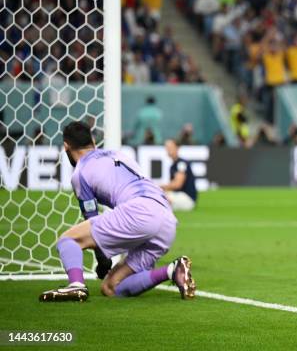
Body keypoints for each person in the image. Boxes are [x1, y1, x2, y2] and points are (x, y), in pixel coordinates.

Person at [39, 121, 195, 302]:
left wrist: (102, 259)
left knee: (68, 240)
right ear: (93, 143)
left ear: (66, 146)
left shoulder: (80, 174)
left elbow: (91, 218)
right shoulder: (118, 154)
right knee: (111, 287)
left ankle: (76, 285)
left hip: (139, 211)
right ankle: (172, 270)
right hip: (166, 215)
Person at [161, 139, 197, 212]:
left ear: (177, 148)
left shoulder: (181, 164)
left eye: (170, 147)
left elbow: (178, 184)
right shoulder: (173, 166)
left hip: (187, 199)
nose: (168, 149)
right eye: (167, 147)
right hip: (179, 195)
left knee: (160, 197)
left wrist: (160, 187)